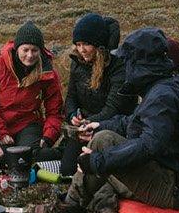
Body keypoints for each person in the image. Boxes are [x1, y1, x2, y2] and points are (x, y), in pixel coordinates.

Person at [31, 27, 179, 213]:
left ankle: (71, 205)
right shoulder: (165, 86)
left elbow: (148, 145)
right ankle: (104, 209)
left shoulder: (162, 95)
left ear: (139, 63)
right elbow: (135, 122)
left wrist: (98, 161)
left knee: (104, 145)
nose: (125, 66)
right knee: (103, 140)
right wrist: (100, 125)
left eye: (128, 61)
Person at [53, 12, 132, 180]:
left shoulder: (118, 68)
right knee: (68, 171)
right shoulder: (77, 63)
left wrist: (88, 124)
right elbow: (71, 98)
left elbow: (113, 108)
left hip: (110, 128)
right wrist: (74, 115)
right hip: (83, 126)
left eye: (87, 44)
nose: (82, 50)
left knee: (95, 173)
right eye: (78, 44)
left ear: (99, 45)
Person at [0, 21, 63, 168]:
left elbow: (55, 110)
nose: (30, 55)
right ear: (17, 48)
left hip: (28, 124)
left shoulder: (47, 73)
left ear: (41, 51)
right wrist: (1, 132)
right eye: (25, 50)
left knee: (27, 155)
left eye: (35, 50)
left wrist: (48, 137)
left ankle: (64, 153)